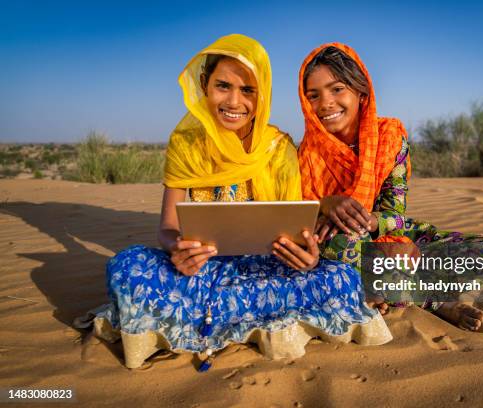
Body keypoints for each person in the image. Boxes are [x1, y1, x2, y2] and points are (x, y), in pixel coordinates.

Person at [92, 35, 391, 370]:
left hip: (268, 267)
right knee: (126, 267)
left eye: (248, 90)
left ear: (261, 94)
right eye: (223, 86)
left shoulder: (278, 147)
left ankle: (209, 314)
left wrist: (307, 257)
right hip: (202, 268)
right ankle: (237, 313)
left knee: (340, 278)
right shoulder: (185, 144)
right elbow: (167, 227)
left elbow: (295, 227)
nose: (235, 101)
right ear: (205, 86)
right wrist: (178, 249)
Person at [297, 43, 483, 331]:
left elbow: (395, 213)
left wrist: (372, 223)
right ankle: (435, 301)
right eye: (313, 95)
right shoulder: (306, 154)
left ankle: (386, 291)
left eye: (337, 89)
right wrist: (324, 205)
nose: (325, 103)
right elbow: (302, 224)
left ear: (361, 91)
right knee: (336, 249)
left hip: (388, 235)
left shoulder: (391, 139)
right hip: (341, 248)